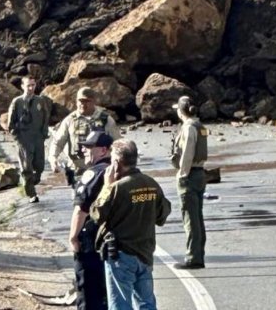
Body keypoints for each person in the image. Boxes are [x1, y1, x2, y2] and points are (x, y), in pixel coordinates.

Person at [90, 139, 171, 310]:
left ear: (117, 162)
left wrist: (106, 186)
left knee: (120, 304)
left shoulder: (117, 188)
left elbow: (96, 213)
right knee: (146, 303)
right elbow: (162, 215)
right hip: (145, 253)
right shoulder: (151, 184)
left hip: (121, 254)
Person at [69, 130, 114, 310]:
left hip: (92, 240)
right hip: (116, 238)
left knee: (89, 290)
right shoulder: (123, 172)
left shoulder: (94, 174)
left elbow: (81, 209)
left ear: (103, 150)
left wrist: (73, 236)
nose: (84, 150)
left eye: (89, 147)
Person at [170, 95, 208, 269]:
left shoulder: (188, 128)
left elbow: (187, 153)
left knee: (190, 218)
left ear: (181, 110)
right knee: (197, 216)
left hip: (190, 175)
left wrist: (182, 174)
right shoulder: (199, 126)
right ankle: (199, 253)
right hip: (200, 173)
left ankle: (193, 257)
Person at [50, 86, 120, 174]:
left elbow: (118, 144)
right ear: (76, 102)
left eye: (87, 101)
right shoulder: (70, 120)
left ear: (94, 101)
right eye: (81, 101)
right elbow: (57, 143)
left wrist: (119, 163)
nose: (83, 104)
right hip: (76, 170)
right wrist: (53, 159)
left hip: (100, 169)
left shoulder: (106, 119)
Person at [7, 77, 52, 203]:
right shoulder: (17, 102)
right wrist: (17, 137)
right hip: (24, 138)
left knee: (40, 165)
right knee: (26, 167)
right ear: (22, 86)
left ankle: (34, 180)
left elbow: (45, 117)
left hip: (37, 137)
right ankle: (31, 193)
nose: (31, 88)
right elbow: (10, 123)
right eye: (28, 85)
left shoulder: (40, 101)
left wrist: (44, 133)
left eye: (33, 85)